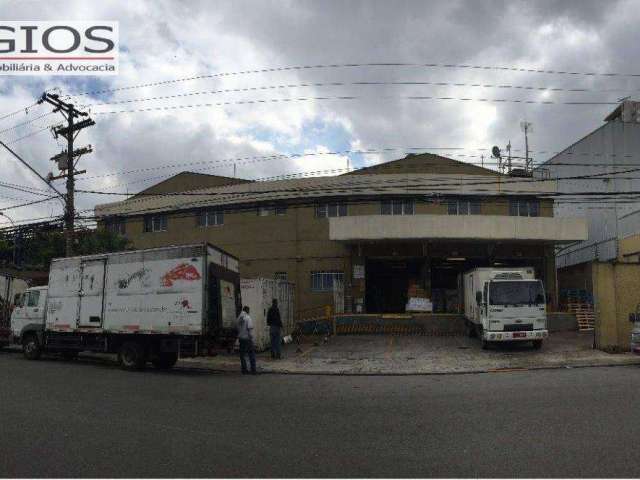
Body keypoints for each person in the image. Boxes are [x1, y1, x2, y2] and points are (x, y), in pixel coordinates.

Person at [236, 306, 256, 374]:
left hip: (241, 338)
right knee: (251, 354)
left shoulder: (239, 318)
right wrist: (251, 338)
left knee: (242, 355)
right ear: (247, 310)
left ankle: (244, 370)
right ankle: (253, 369)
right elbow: (249, 329)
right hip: (247, 338)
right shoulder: (248, 318)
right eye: (249, 310)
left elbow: (237, 327)